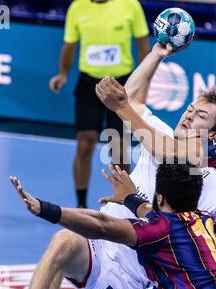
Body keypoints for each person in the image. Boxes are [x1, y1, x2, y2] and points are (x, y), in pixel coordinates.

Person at [24, 44, 216, 289]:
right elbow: (131, 98)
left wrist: (121, 108)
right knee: (63, 242)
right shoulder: (162, 136)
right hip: (108, 248)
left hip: (174, 265)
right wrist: (155, 55)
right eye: (189, 109)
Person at [10, 162, 216, 289]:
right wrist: (130, 199)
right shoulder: (202, 220)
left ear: (160, 196)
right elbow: (147, 210)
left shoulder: (159, 230)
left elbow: (101, 225)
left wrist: (44, 209)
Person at [49, 0, 150, 208]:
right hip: (89, 84)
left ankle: (124, 204)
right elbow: (69, 46)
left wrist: (143, 83)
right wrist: (63, 74)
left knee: (119, 148)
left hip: (121, 84)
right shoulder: (77, 7)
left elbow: (143, 46)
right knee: (84, 143)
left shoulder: (130, 5)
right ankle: (81, 205)